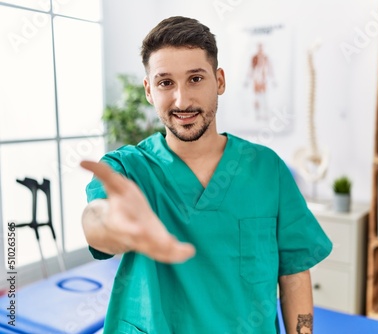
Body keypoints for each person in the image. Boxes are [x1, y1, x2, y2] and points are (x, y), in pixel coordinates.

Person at [81, 16, 332, 333]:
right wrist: (117, 223)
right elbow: (98, 222)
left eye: (195, 79)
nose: (182, 100)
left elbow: (294, 271)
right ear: (148, 90)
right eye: (165, 83)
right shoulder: (127, 169)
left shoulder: (267, 170)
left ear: (220, 81)